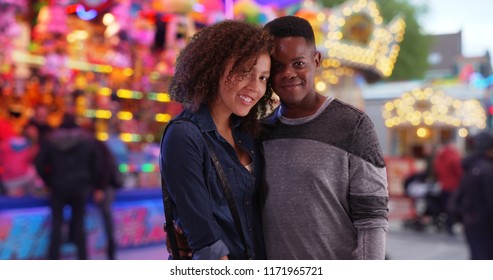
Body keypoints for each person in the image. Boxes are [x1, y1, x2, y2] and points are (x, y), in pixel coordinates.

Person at [259, 16, 389, 260]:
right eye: (277, 66)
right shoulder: (260, 131)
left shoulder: (353, 125)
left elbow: (372, 218)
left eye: (298, 63)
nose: (288, 73)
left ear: (316, 60)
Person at [160, 20, 274, 260]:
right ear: (215, 67)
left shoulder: (249, 133)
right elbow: (206, 242)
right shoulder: (185, 135)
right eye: (245, 71)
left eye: (263, 77)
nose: (255, 87)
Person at [35, 113, 103, 259]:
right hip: (80, 186)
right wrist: (91, 183)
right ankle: (82, 259)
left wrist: (49, 181)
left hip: (58, 185)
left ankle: (53, 259)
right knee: (79, 225)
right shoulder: (86, 139)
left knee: (56, 225)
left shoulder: (50, 139)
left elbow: (39, 163)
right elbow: (97, 163)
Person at [454, 131, 493, 259]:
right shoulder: (487, 170)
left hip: (471, 222)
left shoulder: (471, 167)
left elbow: (459, 196)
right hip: (486, 225)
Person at [433, 140, 463, 234]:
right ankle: (450, 226)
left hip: (443, 185)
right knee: (453, 208)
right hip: (453, 186)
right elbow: (460, 173)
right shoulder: (454, 158)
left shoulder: (439, 157)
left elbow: (436, 171)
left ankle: (446, 225)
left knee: (445, 207)